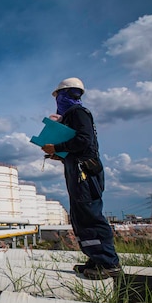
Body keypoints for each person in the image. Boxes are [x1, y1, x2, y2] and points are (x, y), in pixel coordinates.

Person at [41, 77, 122, 280]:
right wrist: (58, 155)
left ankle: (109, 262)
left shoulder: (77, 113)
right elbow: (79, 145)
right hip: (77, 171)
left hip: (84, 172)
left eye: (58, 96)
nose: (57, 100)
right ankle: (95, 258)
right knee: (80, 217)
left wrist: (58, 147)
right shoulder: (71, 116)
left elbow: (84, 141)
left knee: (90, 215)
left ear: (67, 95)